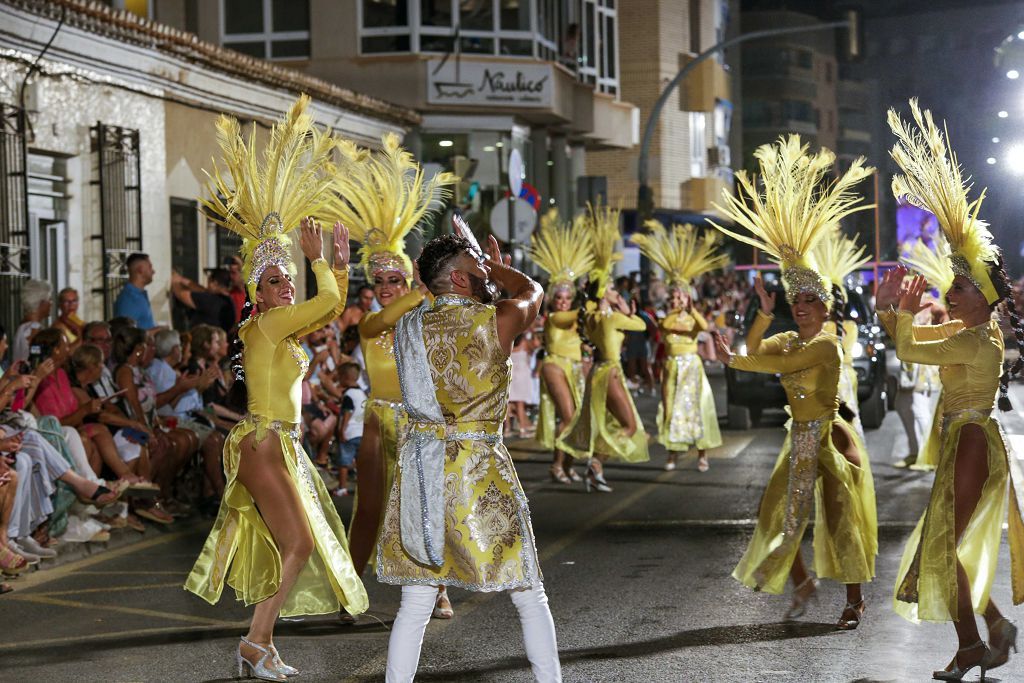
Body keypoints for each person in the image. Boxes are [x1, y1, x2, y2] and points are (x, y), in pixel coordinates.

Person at [185, 97, 367, 681]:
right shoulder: (265, 323)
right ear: (256, 292)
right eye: (274, 279)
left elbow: (329, 308)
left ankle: (256, 643)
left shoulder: (274, 329)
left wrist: (334, 267)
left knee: (294, 546)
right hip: (264, 443)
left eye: (287, 277)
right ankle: (255, 644)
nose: (284, 285)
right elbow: (332, 306)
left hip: (279, 442)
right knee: (299, 545)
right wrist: (324, 267)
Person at [876, 100, 1024, 679]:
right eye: (953, 284)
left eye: (962, 286)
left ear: (988, 298)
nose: (953, 292)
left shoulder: (976, 341)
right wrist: (896, 312)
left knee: (952, 543)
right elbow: (913, 344)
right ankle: (977, 637)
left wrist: (898, 315)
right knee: (945, 544)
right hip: (964, 438)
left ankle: (987, 630)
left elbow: (911, 349)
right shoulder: (969, 333)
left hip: (968, 438)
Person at [378, 228, 561, 682]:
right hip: (475, 468)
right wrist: (498, 267)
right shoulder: (493, 320)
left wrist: (482, 269)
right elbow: (533, 291)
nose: (482, 273)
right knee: (527, 592)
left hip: (421, 468)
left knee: (416, 600)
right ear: (460, 280)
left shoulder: (407, 325)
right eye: (475, 268)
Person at [710, 134, 877, 631]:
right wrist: (759, 317)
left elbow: (775, 367)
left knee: (841, 520)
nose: (801, 308)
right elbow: (765, 351)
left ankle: (854, 599)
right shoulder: (785, 336)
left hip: (829, 436)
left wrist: (734, 361)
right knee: (776, 517)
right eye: (795, 302)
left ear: (824, 306)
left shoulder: (827, 342)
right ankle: (802, 582)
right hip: (796, 438)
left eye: (810, 302)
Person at [328, 131, 456, 620]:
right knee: (368, 507)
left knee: (427, 508)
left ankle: (439, 588)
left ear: (406, 278)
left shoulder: (428, 318)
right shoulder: (371, 322)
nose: (384, 288)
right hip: (379, 421)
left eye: (394, 279)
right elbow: (379, 322)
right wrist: (420, 290)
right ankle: (350, 592)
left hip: (422, 423)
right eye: (378, 280)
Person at [560, 203, 650, 492]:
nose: (616, 292)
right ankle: (596, 465)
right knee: (630, 426)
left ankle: (595, 469)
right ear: (605, 293)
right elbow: (643, 326)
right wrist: (625, 307)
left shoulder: (594, 317)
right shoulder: (611, 318)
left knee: (612, 425)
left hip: (599, 371)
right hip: (610, 372)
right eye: (612, 288)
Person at [632, 221, 726, 472]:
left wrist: (691, 307)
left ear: (687, 297)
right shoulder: (667, 318)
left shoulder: (693, 316)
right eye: (673, 296)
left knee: (697, 411)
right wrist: (678, 312)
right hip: (672, 367)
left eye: (680, 297)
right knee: (671, 411)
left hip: (692, 368)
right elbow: (665, 328)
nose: (675, 300)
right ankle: (672, 455)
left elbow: (703, 326)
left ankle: (702, 455)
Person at [528, 210, 593, 484]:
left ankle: (567, 465)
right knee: (568, 416)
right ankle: (556, 465)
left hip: (576, 368)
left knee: (578, 420)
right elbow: (575, 317)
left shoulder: (576, 320)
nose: (564, 301)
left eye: (568, 297)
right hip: (555, 367)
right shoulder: (555, 318)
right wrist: (593, 303)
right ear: (553, 299)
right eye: (559, 297)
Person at [170, 268, 236, 332]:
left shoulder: (211, 301)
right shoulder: (226, 301)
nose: (207, 285)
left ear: (215, 283)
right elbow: (202, 290)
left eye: (209, 281)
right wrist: (181, 279)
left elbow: (180, 294)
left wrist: (174, 279)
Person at [334, 362, 364, 497]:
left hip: (350, 432)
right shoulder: (362, 393)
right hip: (362, 432)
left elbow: (347, 412)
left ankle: (342, 488)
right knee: (360, 462)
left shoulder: (348, 395)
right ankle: (362, 487)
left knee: (344, 462)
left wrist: (342, 430)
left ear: (345, 377)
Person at [113, 253, 157, 330]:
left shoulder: (140, 295)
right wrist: (155, 332)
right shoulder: (129, 299)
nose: (153, 271)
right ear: (140, 270)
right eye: (150, 267)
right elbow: (125, 333)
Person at [12, 279, 51, 363]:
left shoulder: (22, 326)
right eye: (50, 299)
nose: (51, 303)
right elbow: (38, 361)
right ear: (42, 303)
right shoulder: (35, 330)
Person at [223, 255, 247, 323]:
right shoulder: (230, 294)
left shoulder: (256, 295)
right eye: (229, 273)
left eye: (233, 273)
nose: (230, 276)